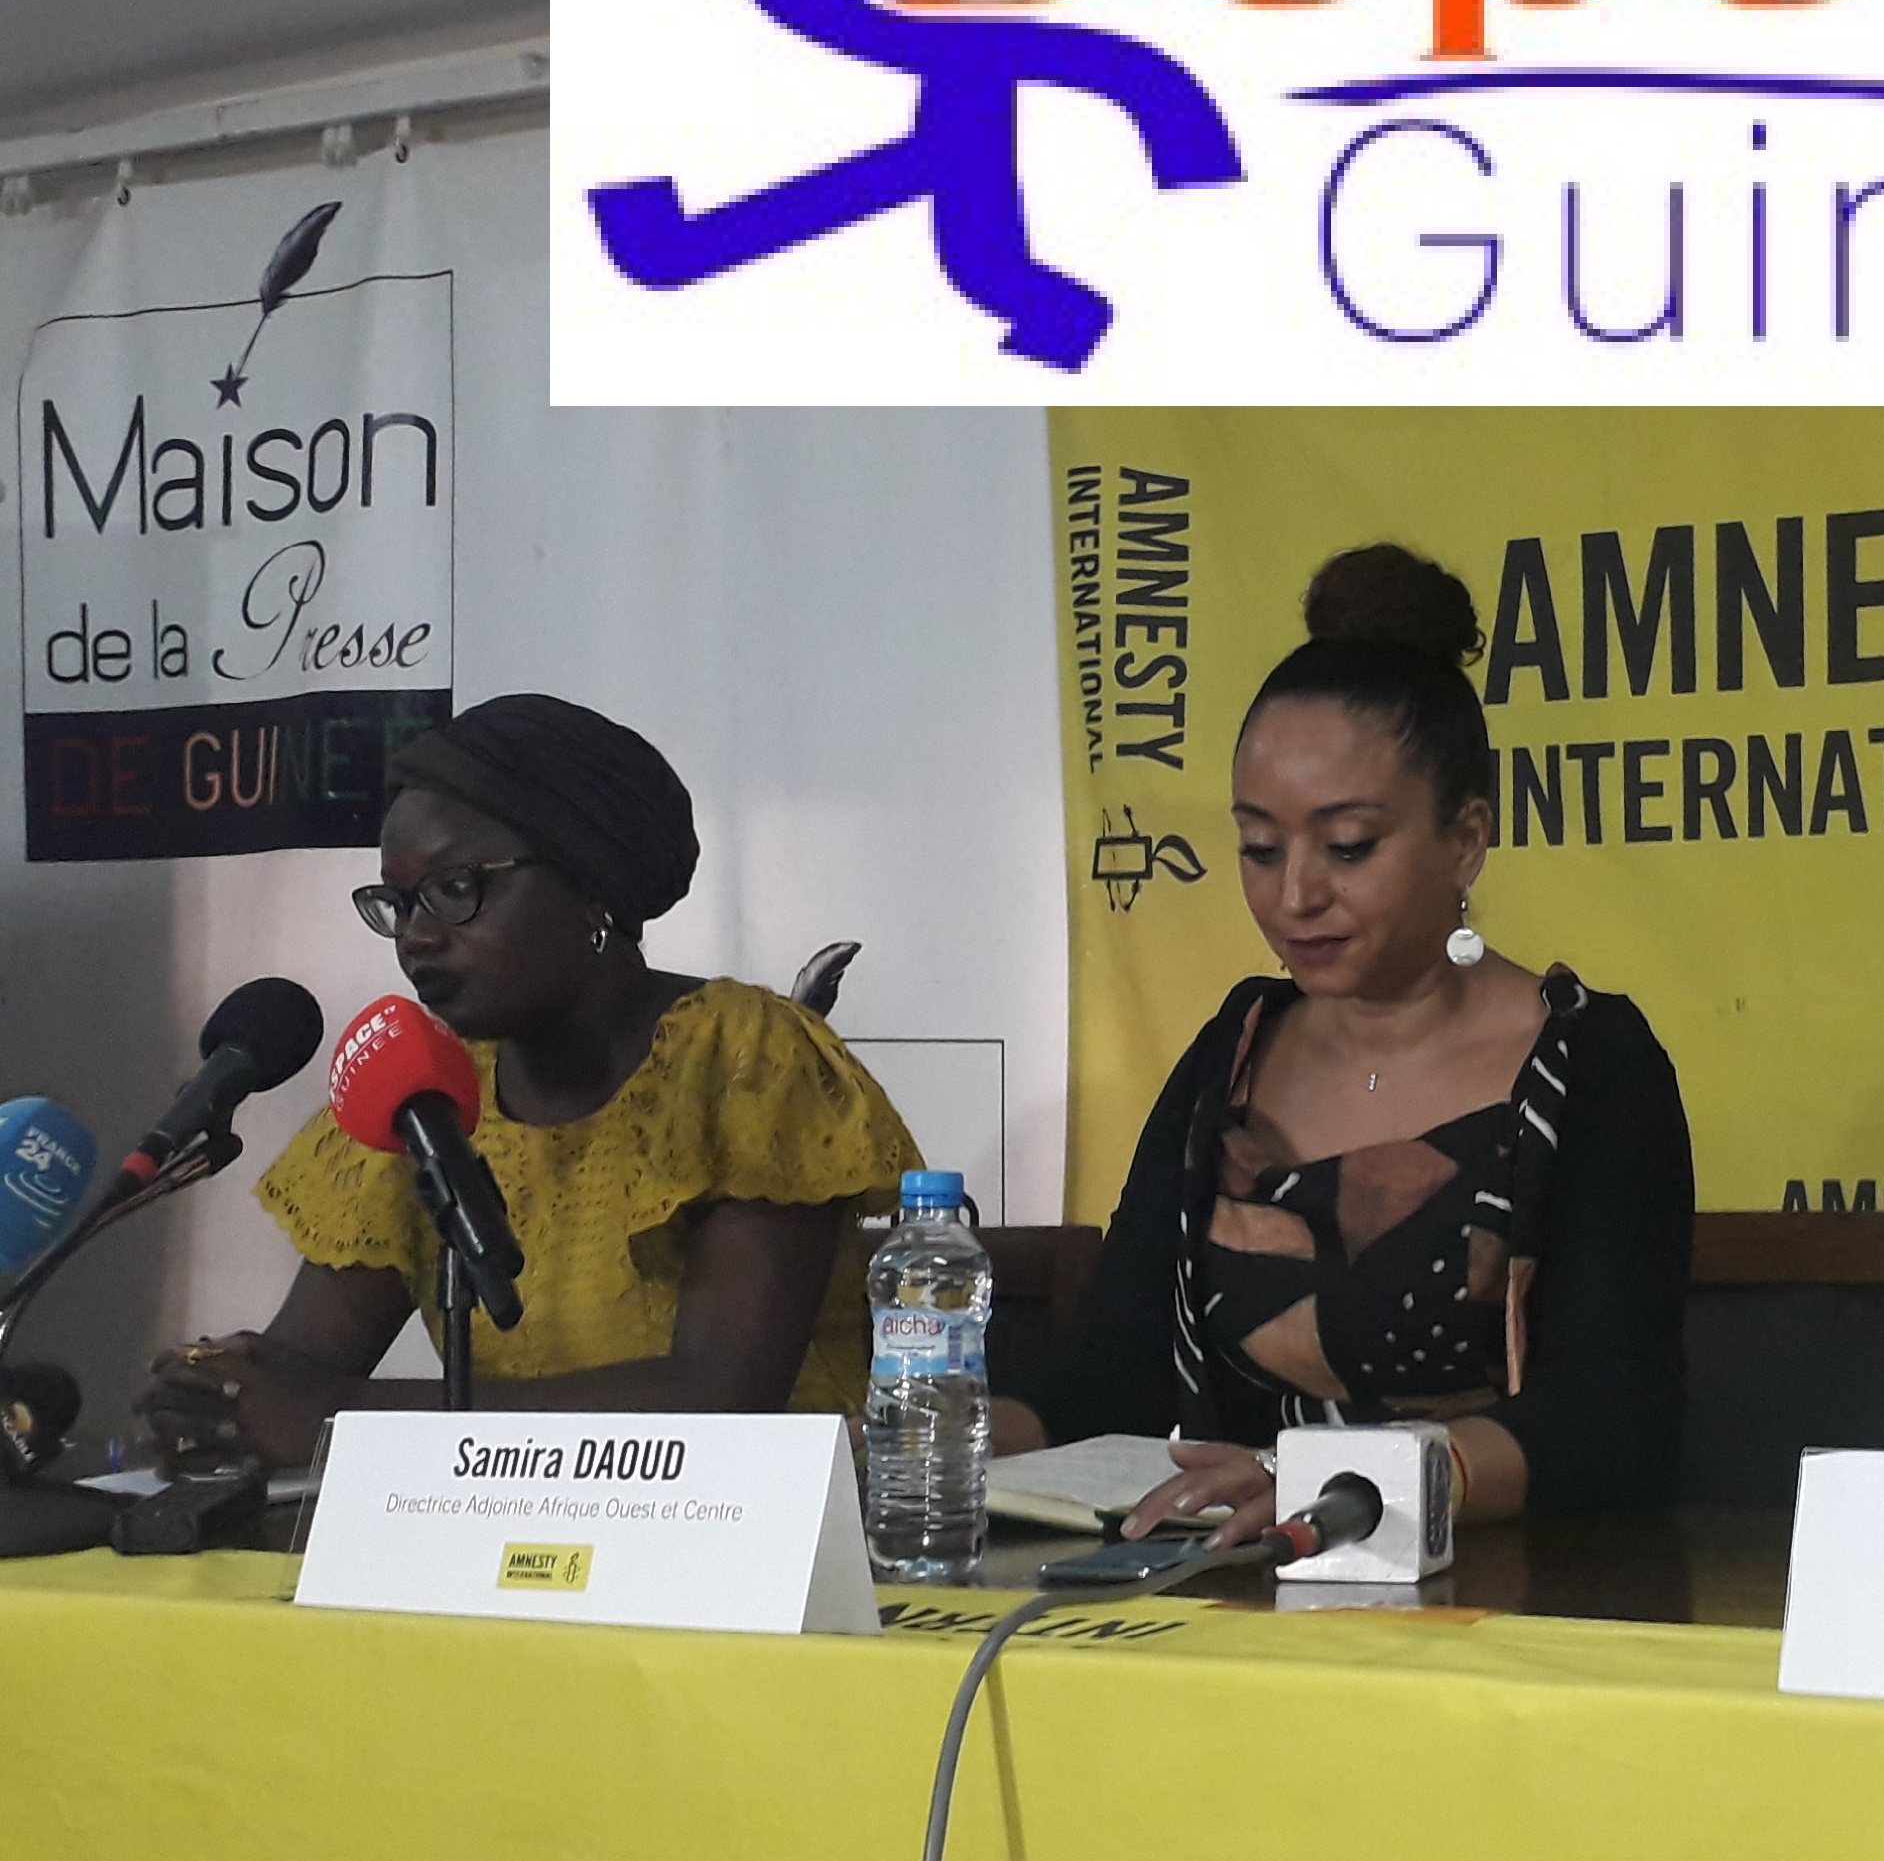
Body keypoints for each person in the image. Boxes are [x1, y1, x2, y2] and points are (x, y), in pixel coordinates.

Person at [1017, 544, 1692, 1535]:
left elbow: (1612, 1422)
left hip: (1493, 1589)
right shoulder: (1233, 1053)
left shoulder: (1590, 1067)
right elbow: (1114, 1372)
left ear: (1465, 838)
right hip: (1231, 1584)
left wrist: (1341, 1484)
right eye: (1259, 847)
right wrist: (934, 1439)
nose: (1295, 894)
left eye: (1347, 847)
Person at [136, 694, 923, 1469]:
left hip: (770, 1531)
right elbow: (303, 1371)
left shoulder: (743, 1057)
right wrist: (219, 1399)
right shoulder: (420, 1088)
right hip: (507, 1538)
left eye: (455, 888)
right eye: (399, 904)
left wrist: (337, 1419)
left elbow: (720, 1400)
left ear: (590, 886)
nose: (417, 939)